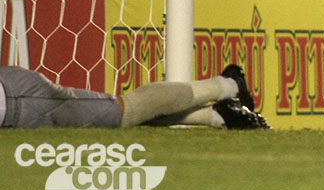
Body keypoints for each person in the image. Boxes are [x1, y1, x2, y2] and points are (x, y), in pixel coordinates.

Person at [0, 64, 267, 129]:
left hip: (20, 100)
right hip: (14, 105)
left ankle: (228, 85)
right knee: (121, 118)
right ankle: (219, 115)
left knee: (125, 111)